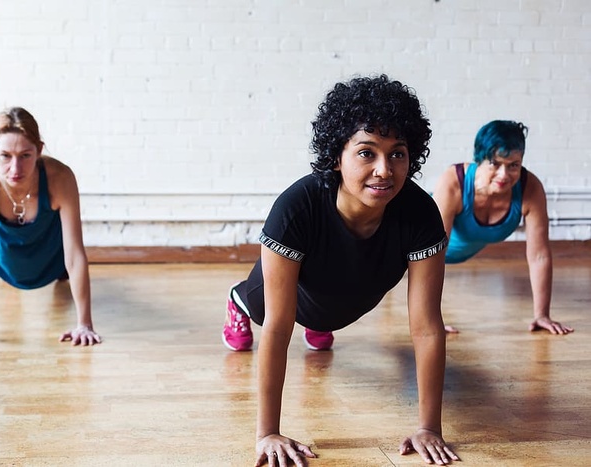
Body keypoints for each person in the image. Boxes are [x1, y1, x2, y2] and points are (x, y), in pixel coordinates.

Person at [222, 75, 459, 466]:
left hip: (349, 292)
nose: (384, 169)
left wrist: (429, 427)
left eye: (397, 153)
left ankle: (321, 322)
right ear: (337, 156)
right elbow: (280, 330)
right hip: (292, 295)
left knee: (326, 316)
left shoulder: (419, 214)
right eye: (367, 153)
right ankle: (238, 301)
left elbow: (427, 327)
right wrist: (267, 433)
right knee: (264, 308)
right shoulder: (295, 209)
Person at [0, 107, 101, 348]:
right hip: (1, 255)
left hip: (51, 255)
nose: (15, 169)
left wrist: (84, 324)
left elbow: (74, 252)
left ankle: (58, 275)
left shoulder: (60, 177)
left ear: (39, 151)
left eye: (25, 156)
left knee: (64, 266)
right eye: (5, 156)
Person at [432, 120, 573, 335]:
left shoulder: (530, 189)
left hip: (456, 253)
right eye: (495, 163)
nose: (504, 175)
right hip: (414, 247)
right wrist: (431, 320)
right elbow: (432, 253)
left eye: (513, 165)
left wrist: (542, 314)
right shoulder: (454, 182)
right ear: (479, 159)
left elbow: (540, 257)